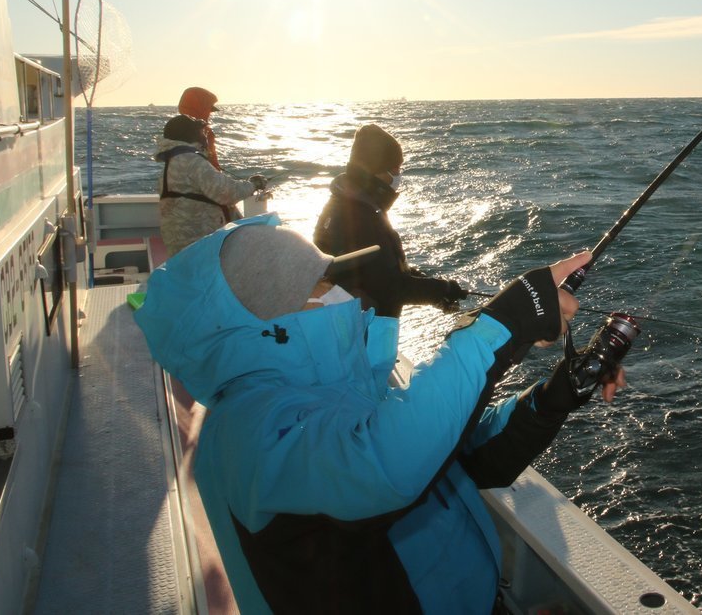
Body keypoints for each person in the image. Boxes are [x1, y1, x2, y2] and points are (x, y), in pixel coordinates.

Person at [133, 214, 625, 613]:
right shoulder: (242, 432)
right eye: (324, 283)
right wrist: (502, 325)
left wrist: (552, 398)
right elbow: (384, 470)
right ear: (274, 319)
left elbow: (462, 461)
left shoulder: (340, 388)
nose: (343, 295)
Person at [314, 124, 467, 316]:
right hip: (363, 329)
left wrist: (435, 289)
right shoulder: (357, 216)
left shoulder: (353, 205)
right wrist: (442, 290)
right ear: (374, 170)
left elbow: (384, 268)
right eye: (393, 169)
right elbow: (389, 287)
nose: (398, 175)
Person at [156, 114, 267, 257]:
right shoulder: (191, 160)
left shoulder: (173, 161)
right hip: (198, 244)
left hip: (182, 244)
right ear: (189, 135)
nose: (204, 136)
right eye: (201, 132)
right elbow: (225, 192)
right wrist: (254, 185)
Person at [178, 86, 221, 169]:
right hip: (202, 178)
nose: (210, 114)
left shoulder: (176, 127)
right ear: (201, 108)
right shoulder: (197, 131)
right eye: (209, 110)